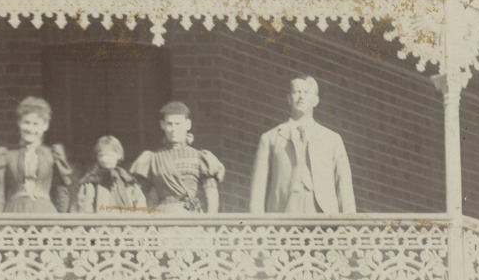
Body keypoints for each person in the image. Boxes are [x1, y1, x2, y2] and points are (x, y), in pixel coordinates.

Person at [248, 75, 357, 215]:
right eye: (296, 92)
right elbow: (258, 188)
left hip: (324, 219)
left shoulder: (332, 140)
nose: (301, 97)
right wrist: (259, 228)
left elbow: (344, 186)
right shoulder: (270, 139)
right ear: (288, 98)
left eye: (306, 92)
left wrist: (349, 225)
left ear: (316, 100)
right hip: (282, 217)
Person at [130, 101, 224, 214]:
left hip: (191, 219)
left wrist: (210, 224)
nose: (173, 129)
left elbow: (211, 192)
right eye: (169, 124)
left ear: (188, 124)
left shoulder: (200, 158)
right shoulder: (153, 159)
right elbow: (139, 195)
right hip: (162, 219)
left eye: (178, 124)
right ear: (162, 125)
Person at [0, 96, 73, 213]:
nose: (30, 128)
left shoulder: (52, 156)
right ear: (19, 123)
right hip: (15, 213)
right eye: (27, 122)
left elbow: (60, 194)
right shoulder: (6, 157)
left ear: (45, 126)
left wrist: (62, 223)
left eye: (36, 124)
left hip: (45, 213)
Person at [73, 136, 147, 213]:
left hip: (126, 222)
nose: (104, 159)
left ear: (118, 155)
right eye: (101, 155)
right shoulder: (92, 181)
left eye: (108, 155)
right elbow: (85, 208)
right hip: (100, 222)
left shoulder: (127, 180)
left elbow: (140, 204)